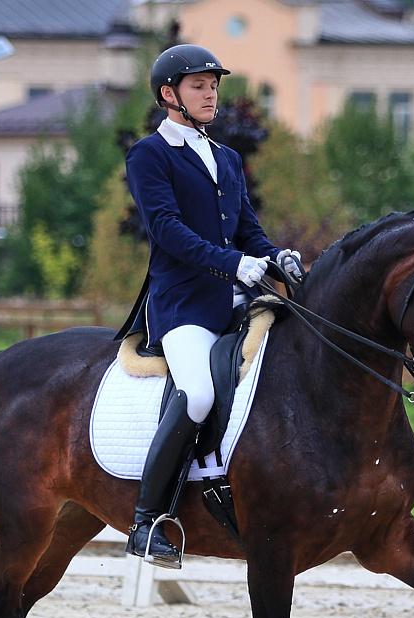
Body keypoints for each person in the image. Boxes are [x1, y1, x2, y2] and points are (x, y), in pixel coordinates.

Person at [114, 44, 301, 568]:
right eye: (199, 85)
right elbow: (167, 231)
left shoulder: (226, 158)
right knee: (197, 392)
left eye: (214, 85)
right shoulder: (150, 155)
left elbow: (247, 229)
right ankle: (147, 522)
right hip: (183, 305)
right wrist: (231, 263)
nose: (210, 93)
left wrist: (274, 255)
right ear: (169, 95)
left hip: (236, 302)